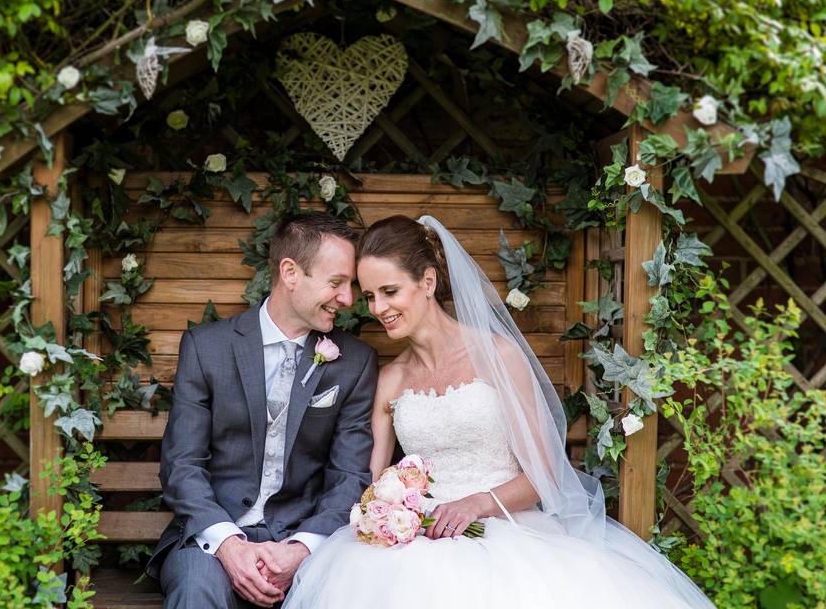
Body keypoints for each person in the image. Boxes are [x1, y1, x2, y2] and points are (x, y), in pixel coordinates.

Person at [282, 215, 716, 608]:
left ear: (428, 282)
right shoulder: (390, 379)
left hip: (510, 534)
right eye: (371, 297)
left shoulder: (499, 357)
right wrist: (387, 513)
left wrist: (478, 504)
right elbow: (373, 481)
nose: (379, 309)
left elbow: (545, 471)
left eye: (390, 291)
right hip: (418, 539)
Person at [145, 212, 379, 608]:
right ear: (290, 272)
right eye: (336, 283)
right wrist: (229, 545)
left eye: (350, 285)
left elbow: (349, 476)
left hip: (306, 543)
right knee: (197, 593)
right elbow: (181, 463)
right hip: (210, 541)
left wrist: (301, 549)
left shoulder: (354, 362)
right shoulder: (208, 347)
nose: (348, 299)